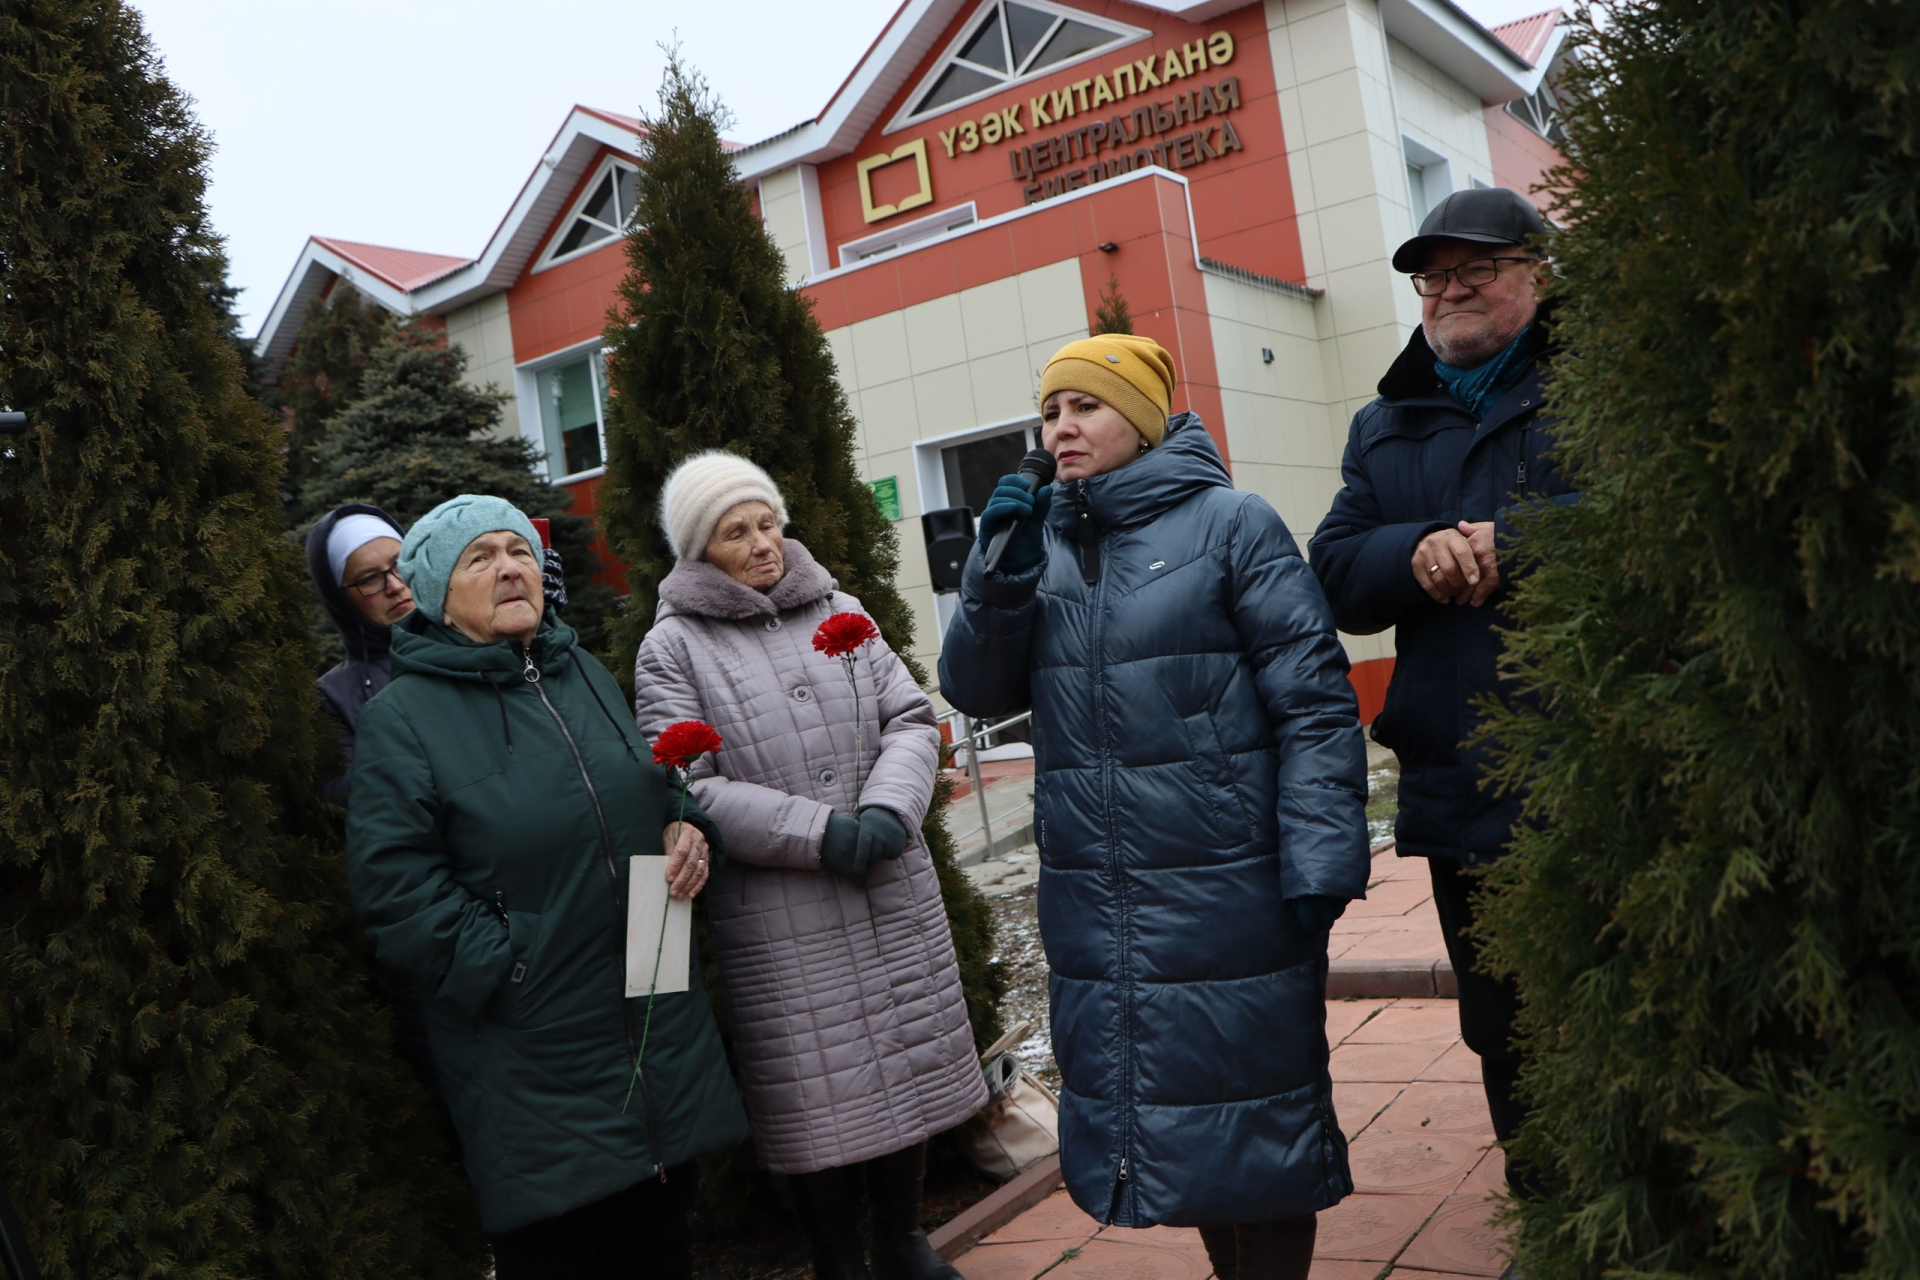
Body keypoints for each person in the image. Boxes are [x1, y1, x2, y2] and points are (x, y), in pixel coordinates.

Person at [938, 336, 1370, 1280]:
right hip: (1101, 895)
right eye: (1050, 413)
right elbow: (972, 686)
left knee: (1258, 1121)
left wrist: (1322, 860)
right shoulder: (1037, 542)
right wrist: (995, 568)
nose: (1062, 429)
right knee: (1185, 1132)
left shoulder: (1233, 525)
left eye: (1084, 408)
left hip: (1231, 883)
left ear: (1140, 417)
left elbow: (1313, 699)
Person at [344, 494, 748, 1280]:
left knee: (661, 1241)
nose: (508, 568)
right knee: (563, 1252)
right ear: (434, 593)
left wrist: (686, 822)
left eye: (519, 551)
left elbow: (645, 786)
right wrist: (511, 963)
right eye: (480, 558)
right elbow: (394, 888)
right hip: (531, 1047)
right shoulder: (404, 718)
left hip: (647, 1012)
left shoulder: (584, 670)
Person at [632, 453, 987, 1280]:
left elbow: (907, 716)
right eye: (736, 532)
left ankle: (902, 1240)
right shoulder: (672, 648)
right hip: (781, 905)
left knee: (908, 1054)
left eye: (769, 523)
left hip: (886, 874)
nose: (763, 544)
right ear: (697, 549)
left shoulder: (845, 611)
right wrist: (816, 831)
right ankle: (838, 1258)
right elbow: (688, 785)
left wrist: (889, 811)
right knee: (813, 1084)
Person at [1308, 186, 1572, 1209]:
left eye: (1477, 268)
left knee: (1620, 996)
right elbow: (1332, 570)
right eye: (1433, 274)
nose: (1449, 290)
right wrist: (1412, 554)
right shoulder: (1386, 422)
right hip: (1462, 773)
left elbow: (1662, 515)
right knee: (1502, 1018)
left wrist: (1521, 544)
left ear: (1535, 275)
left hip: (1597, 758)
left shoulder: (1597, 378)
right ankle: (1550, 1212)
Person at [305, 503, 413, 801]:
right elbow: (351, 798)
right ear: (340, 599)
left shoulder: (477, 639)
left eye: (401, 562)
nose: (394, 585)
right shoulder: (332, 699)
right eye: (369, 579)